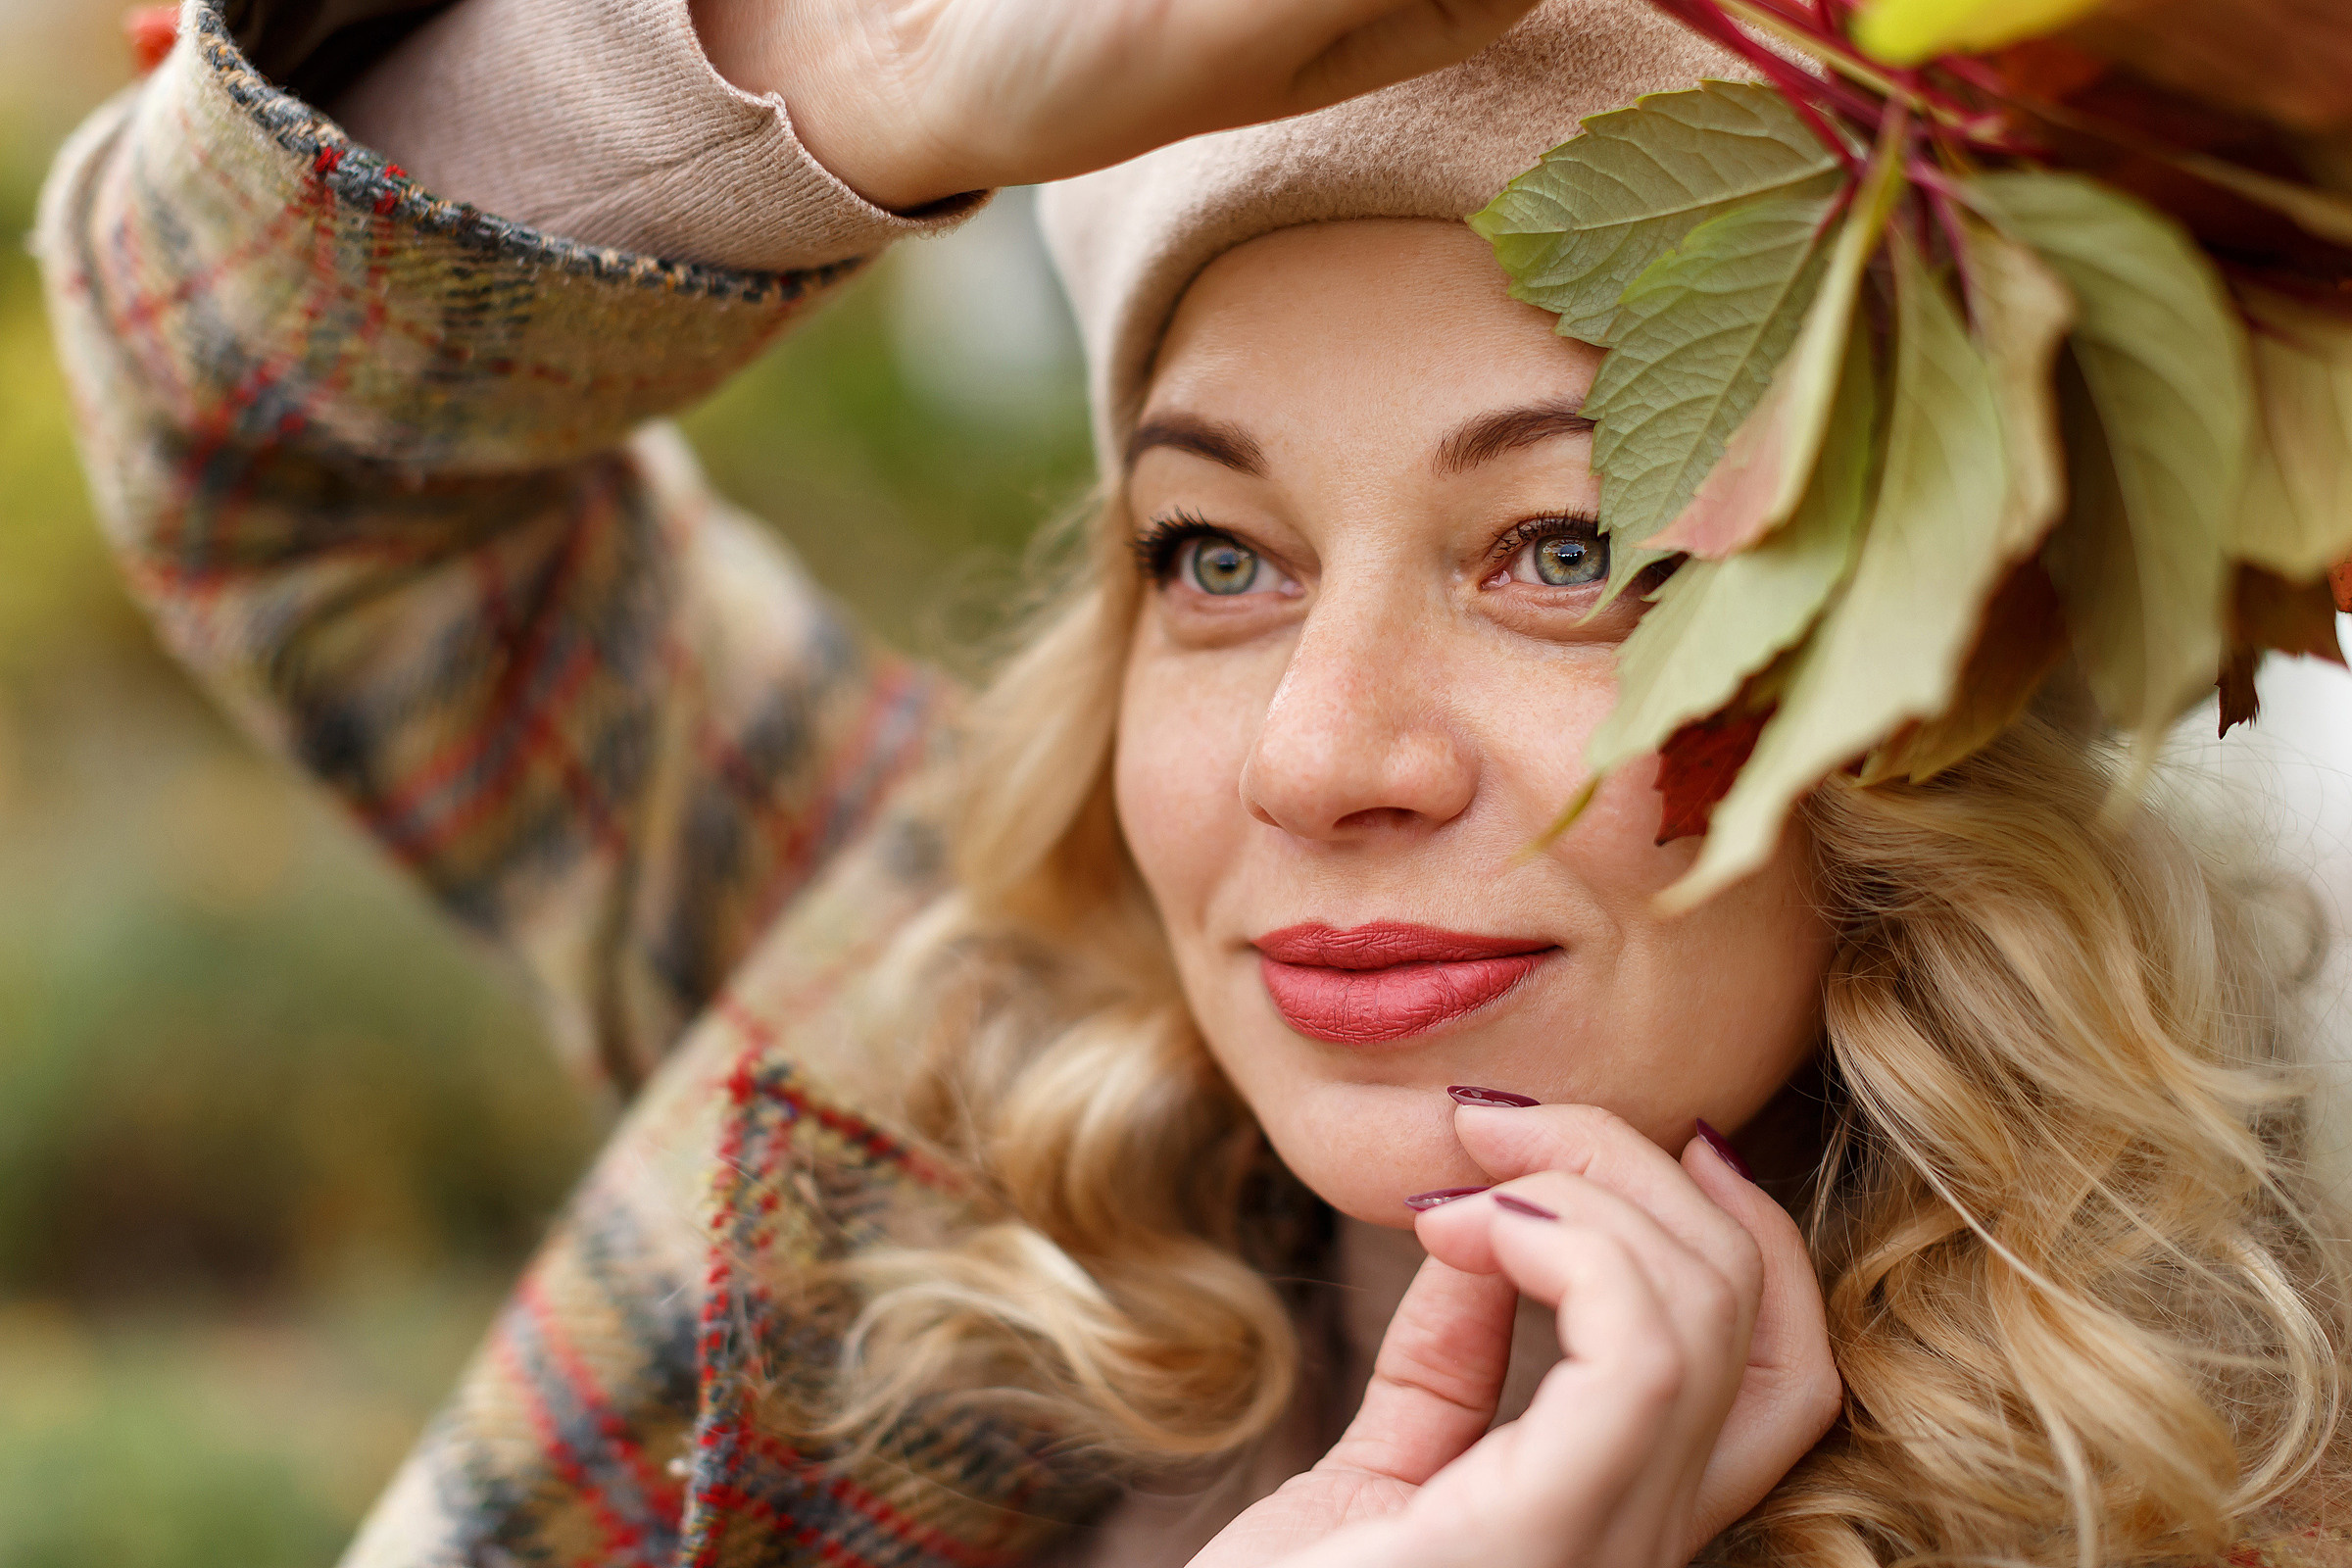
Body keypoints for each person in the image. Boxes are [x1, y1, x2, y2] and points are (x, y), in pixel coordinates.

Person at [36, 0, 2352, 1563]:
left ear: (1930, 677)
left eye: (1569, 549)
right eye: (1215, 552)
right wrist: (857, 75)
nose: (1325, 754)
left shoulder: (2227, 1470)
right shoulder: (931, 1042)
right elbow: (273, 457)